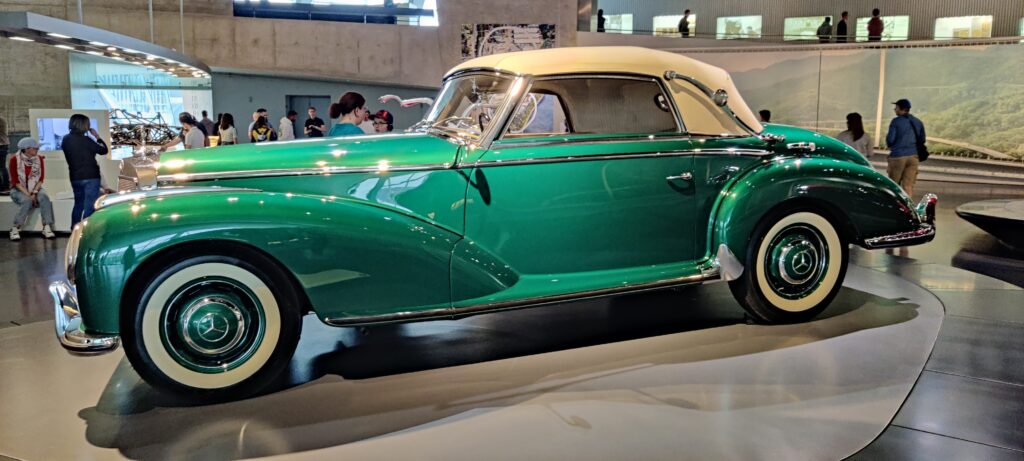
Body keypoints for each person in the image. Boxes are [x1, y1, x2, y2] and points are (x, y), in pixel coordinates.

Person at [61, 114, 107, 228]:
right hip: (91, 176)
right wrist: (97, 136)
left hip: (75, 177)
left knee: (78, 204)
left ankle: (74, 229)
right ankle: (86, 230)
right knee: (90, 206)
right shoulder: (86, 140)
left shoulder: (66, 139)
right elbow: (103, 150)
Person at [8, 138, 56, 240]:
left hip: (35, 188)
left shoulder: (39, 159)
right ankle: (15, 228)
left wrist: (34, 192)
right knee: (27, 200)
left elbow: (41, 179)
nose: (38, 150)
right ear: (26, 149)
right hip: (18, 189)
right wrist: (29, 195)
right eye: (35, 148)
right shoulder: (14, 160)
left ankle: (47, 226)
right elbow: (16, 182)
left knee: (44, 197)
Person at [885, 99, 925, 197]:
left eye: (896, 107)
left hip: (898, 156)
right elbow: (922, 139)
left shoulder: (896, 122)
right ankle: (908, 205)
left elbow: (890, 139)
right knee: (908, 186)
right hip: (913, 157)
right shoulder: (918, 122)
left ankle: (893, 204)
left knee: (894, 185)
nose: (895, 109)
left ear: (901, 108)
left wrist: (891, 145)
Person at [0, 114, 9, 193]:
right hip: (2, 145)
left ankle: (5, 187)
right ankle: (2, 187)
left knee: (2, 167)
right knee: (2, 167)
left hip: (1, 145)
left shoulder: (0, 119)